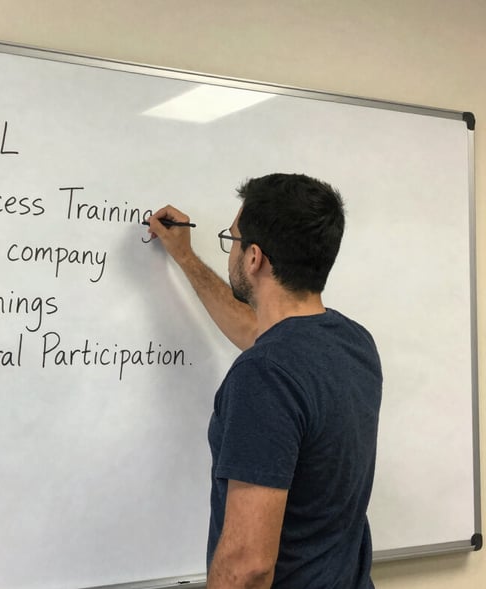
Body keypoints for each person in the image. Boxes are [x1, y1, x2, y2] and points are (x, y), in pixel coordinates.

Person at [145, 173, 382, 589]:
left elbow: (248, 565)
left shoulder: (265, 374)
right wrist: (185, 258)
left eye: (232, 240)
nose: (231, 249)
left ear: (254, 258)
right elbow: (257, 331)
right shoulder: (352, 343)